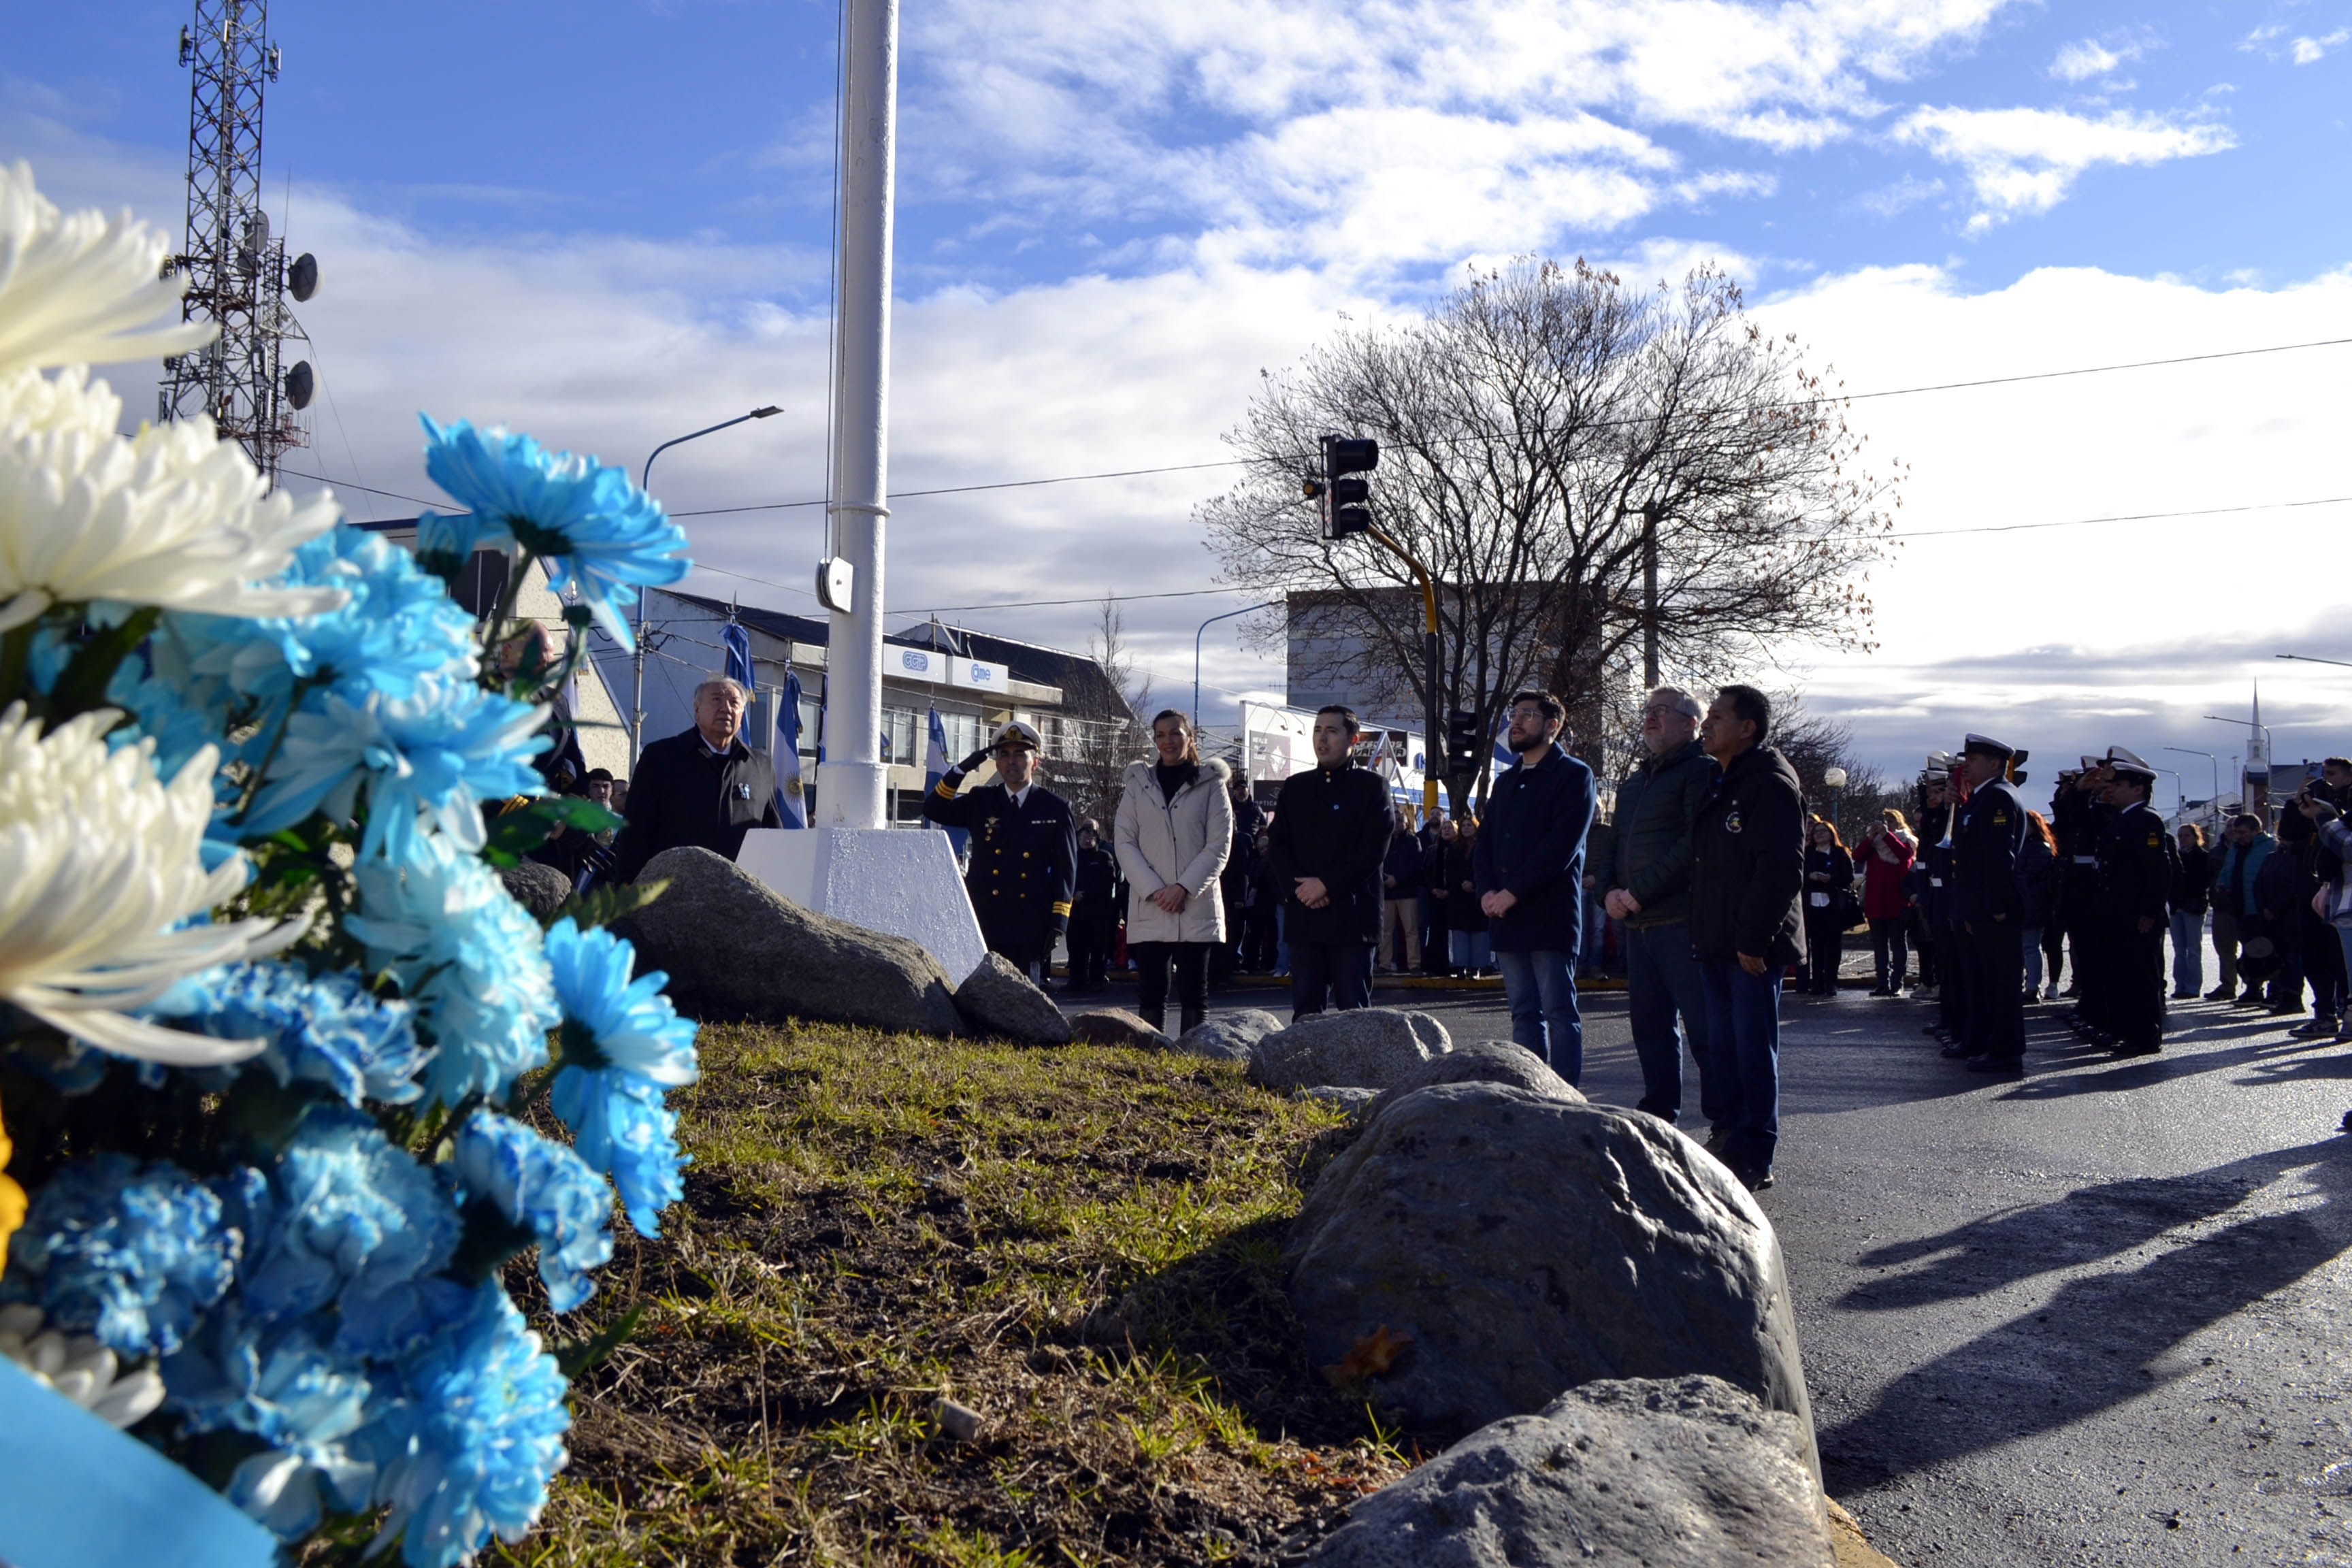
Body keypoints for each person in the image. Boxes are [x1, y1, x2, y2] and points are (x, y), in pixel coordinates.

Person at [1688, 685, 1804, 1189]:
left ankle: (1756, 1154)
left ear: (1747, 728)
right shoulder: (1721, 779)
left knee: (1753, 1052)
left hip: (1750, 950)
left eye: (1716, 716)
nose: (1706, 724)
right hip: (1716, 943)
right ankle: (1731, 1137)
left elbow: (1779, 871)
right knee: (1722, 1050)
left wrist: (1754, 940)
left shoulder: (1770, 783)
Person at [1599, 686, 1718, 1124]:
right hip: (1637, 924)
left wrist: (1639, 892)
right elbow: (1613, 845)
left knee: (1704, 1030)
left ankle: (1723, 1124)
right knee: (1649, 1029)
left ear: (1692, 723)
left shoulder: (1701, 772)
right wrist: (1607, 891)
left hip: (1680, 922)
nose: (1651, 718)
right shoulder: (1633, 784)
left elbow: (1693, 844)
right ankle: (1658, 1114)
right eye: (1648, 710)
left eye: (1662, 711)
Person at [1474, 689, 1597, 1082]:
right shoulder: (1507, 781)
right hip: (1505, 915)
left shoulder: (1575, 775)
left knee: (1559, 1011)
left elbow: (1561, 846)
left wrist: (1512, 893)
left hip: (1549, 914)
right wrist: (1487, 893)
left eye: (1528, 714)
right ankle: (1529, 1090)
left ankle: (1563, 1092)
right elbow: (1485, 845)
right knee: (1523, 1011)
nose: (1517, 721)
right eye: (1514, 714)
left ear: (1552, 725)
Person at [922, 719, 1078, 980]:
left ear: (1035, 762)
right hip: (987, 916)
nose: (1011, 761)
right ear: (996, 763)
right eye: (1004, 755)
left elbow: (1066, 870)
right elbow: (933, 809)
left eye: (1020, 754)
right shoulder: (982, 800)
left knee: (1025, 1003)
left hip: (1030, 922)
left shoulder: (1055, 808)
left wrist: (1059, 921)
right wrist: (961, 770)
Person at [1112, 710, 1235, 1036]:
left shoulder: (1212, 784)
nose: (1167, 741)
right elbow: (1124, 842)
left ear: (1190, 738)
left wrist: (1182, 888)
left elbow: (1219, 845)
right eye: (1161, 735)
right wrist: (1155, 889)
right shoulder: (1138, 784)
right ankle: (1152, 1063)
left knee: (1195, 992)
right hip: (1150, 903)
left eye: (1175, 733)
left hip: (1196, 902)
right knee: (1152, 992)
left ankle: (1196, 1062)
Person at [1264, 706, 1391, 1017]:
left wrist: (1326, 886)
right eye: (1318, 730)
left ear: (1353, 739)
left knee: (1355, 1015)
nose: (1322, 738)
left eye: (1332, 731)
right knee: (1306, 1015)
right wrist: (1300, 890)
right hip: (1305, 917)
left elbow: (1372, 850)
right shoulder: (1296, 787)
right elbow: (1277, 845)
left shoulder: (1372, 788)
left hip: (1352, 918)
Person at [611, 674, 782, 883]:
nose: (726, 708)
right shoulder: (661, 757)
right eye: (716, 700)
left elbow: (773, 836)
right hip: (675, 890)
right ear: (697, 709)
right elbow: (635, 832)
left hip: (741, 895)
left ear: (743, 712)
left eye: (734, 703)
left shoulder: (761, 766)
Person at [1951, 734, 2028, 1073]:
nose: (1966, 765)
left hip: (1995, 909)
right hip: (1980, 905)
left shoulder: (1998, 797)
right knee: (1985, 979)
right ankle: (1985, 1041)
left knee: (2001, 981)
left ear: (1995, 764)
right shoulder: (1982, 798)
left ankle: (2005, 1050)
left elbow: (1999, 857)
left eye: (1974, 759)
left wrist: (1995, 905)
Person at [2093, 749, 2170, 1057]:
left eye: (2120, 785)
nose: (2112, 790)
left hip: (2136, 915)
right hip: (2117, 913)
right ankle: (2124, 1030)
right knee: (2120, 975)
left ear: (2138, 789)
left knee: (2140, 978)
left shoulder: (2147, 821)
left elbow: (2157, 872)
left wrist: (2149, 912)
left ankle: (2145, 1036)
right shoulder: (2121, 819)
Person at [2206, 813, 2274, 1004]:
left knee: (2262, 950)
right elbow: (2228, 870)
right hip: (2239, 906)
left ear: (2256, 831)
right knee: (2248, 952)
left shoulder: (2268, 847)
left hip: (2259, 908)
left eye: (2242, 832)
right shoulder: (2236, 848)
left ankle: (2271, 990)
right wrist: (2221, 885)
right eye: (2235, 832)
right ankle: (2252, 988)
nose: (2238, 836)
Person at [1213, 772, 1264, 985]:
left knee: (1239, 930)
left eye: (1244, 789)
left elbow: (1246, 869)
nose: (1241, 792)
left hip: (1244, 884)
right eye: (1237, 789)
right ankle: (1223, 969)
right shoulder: (1225, 816)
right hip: (1223, 888)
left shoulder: (1254, 816)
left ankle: (1238, 962)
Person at [1860, 809, 1916, 996]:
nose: (1887, 824)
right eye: (1884, 822)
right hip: (1876, 902)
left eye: (1891, 821)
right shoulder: (1875, 845)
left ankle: (1897, 983)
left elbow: (1904, 856)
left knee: (1898, 944)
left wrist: (1888, 836)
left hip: (1897, 901)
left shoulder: (1906, 840)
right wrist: (1871, 837)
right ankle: (1882, 982)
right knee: (1879, 946)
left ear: (1899, 823)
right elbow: (1857, 855)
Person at [1800, 817, 1855, 998]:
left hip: (1833, 902)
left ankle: (1831, 981)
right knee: (1816, 944)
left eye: (1823, 831)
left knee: (1833, 944)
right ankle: (1817, 982)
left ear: (1831, 834)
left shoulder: (1840, 853)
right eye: (1816, 832)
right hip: (1813, 902)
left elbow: (1848, 877)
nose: (1819, 835)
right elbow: (1800, 874)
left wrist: (1830, 878)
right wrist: (1811, 876)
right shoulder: (1808, 853)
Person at [1066, 819, 1119, 993]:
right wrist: (1074, 894)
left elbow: (1107, 882)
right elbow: (1065, 879)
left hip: (1098, 911)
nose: (1087, 839)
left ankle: (1097, 980)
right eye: (1084, 836)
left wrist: (1086, 894)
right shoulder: (1073, 857)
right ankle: (1076, 980)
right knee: (1076, 949)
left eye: (1091, 836)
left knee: (1098, 949)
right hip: (1076, 912)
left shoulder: (1104, 857)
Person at [2168, 823, 2213, 1001]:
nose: (2182, 839)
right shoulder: (2174, 857)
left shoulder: (2203, 857)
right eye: (2180, 836)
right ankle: (2180, 985)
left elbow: (2202, 882)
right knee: (2179, 949)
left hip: (2193, 907)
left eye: (2186, 835)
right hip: (2176, 907)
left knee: (2193, 948)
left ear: (2196, 837)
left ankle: (2193, 987)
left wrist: (2186, 900)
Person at [1443, 817, 1492, 977]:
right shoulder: (1454, 848)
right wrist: (1460, 884)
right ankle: (1460, 966)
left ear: (1476, 827)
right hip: (1459, 897)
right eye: (1463, 825)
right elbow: (1449, 871)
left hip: (1477, 896)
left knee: (1478, 932)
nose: (1466, 828)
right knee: (1459, 933)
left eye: (1469, 825)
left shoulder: (1483, 847)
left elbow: (1486, 868)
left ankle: (1476, 967)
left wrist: (1474, 884)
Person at [2019, 810, 2060, 1002]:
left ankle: (2033, 987)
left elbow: (2030, 876)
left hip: (2033, 903)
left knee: (2031, 947)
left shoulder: (2038, 848)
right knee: (2023, 949)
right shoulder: (2023, 846)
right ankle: (2025, 985)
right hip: (2025, 903)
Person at [1378, 812, 1425, 974]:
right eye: (1395, 820)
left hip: (1407, 892)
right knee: (1385, 930)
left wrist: (1397, 879)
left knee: (1411, 930)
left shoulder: (1413, 841)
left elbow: (1416, 865)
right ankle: (1384, 964)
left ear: (1407, 824)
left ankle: (1414, 964)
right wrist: (1386, 878)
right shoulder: (1383, 840)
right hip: (1387, 893)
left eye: (1400, 821)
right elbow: (1378, 862)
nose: (1397, 823)